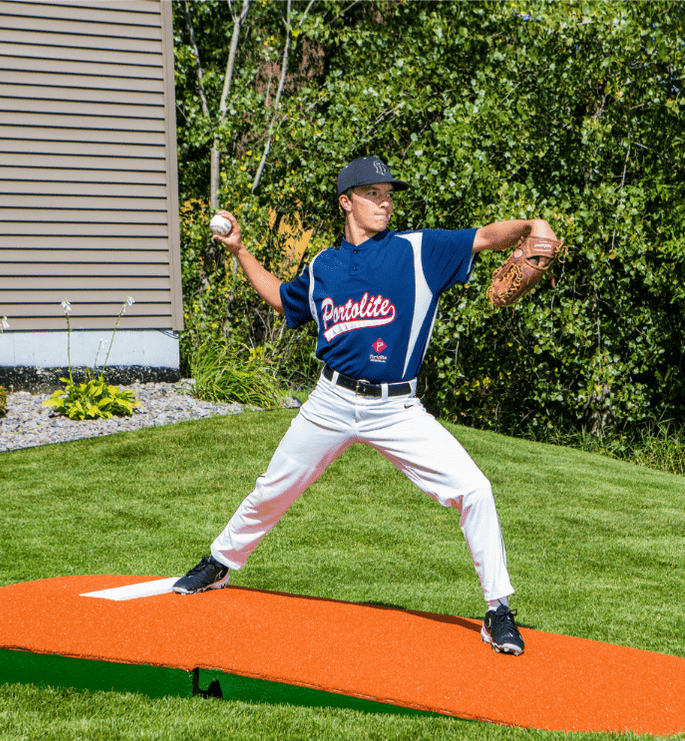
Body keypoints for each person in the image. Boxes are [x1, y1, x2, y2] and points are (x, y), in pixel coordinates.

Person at [173, 156, 559, 656]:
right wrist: (241, 250)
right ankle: (220, 562)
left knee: (475, 490)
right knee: (273, 487)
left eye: (388, 193)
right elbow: (285, 303)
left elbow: (488, 236)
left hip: (396, 408)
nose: (384, 201)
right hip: (329, 401)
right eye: (372, 192)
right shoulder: (322, 266)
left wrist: (532, 226)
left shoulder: (418, 251)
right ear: (346, 202)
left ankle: (498, 610)